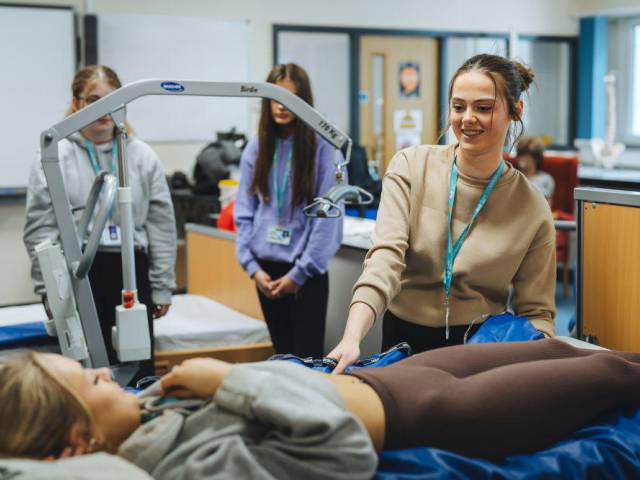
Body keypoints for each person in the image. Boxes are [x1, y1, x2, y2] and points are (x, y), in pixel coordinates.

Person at [3, 339, 640, 478]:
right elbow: (339, 452)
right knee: (610, 373)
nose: (103, 373)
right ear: (76, 445)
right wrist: (229, 379)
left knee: (556, 345)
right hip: (438, 410)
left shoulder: (145, 412)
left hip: (392, 375)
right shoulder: (190, 469)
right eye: (90, 383)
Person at [329, 54, 556, 373]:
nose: (468, 118)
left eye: (483, 107)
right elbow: (384, 261)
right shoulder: (410, 166)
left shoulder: (531, 205)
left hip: (479, 351)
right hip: (403, 341)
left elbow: (537, 312)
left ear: (515, 111)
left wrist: (532, 366)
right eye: (458, 106)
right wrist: (351, 337)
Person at [23, 65, 177, 380]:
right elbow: (40, 229)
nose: (104, 109)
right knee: (86, 374)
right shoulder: (54, 156)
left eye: (112, 100)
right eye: (94, 100)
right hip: (78, 272)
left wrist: (162, 287)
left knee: (137, 367)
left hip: (131, 270)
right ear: (77, 103)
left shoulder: (142, 156)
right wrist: (48, 290)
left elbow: (161, 227)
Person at [234, 63, 344, 358]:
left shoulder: (325, 147)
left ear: (304, 101)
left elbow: (327, 220)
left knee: (307, 362)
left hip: (305, 276)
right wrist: (253, 269)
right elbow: (243, 213)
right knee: (282, 358)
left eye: (291, 98)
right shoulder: (256, 148)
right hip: (265, 273)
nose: (282, 106)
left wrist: (299, 274)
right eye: (275, 97)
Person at [516, 136, 555, 207]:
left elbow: (547, 207)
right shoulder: (513, 176)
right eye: (520, 154)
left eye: (526, 155)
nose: (521, 158)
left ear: (536, 158)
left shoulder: (546, 179)